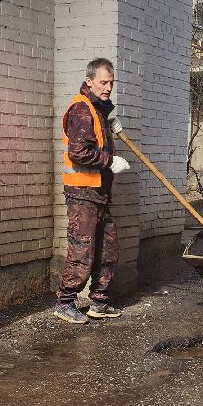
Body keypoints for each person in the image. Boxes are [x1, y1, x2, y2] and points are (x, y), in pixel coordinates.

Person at [55, 57, 131, 324]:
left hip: (98, 193)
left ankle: (99, 301)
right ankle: (65, 302)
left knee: (108, 248)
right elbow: (79, 152)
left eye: (111, 82)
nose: (108, 86)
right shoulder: (82, 109)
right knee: (82, 249)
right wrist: (110, 161)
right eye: (103, 82)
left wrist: (110, 126)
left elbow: (95, 141)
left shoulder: (97, 110)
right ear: (89, 81)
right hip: (82, 192)